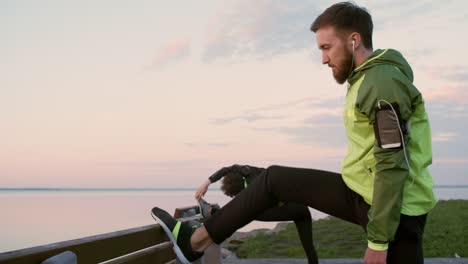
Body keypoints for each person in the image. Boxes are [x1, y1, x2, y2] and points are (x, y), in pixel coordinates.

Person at [151, 2, 437, 264]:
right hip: (365, 193)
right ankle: (195, 241)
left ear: (354, 40)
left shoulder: (381, 84)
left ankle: (195, 242)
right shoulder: (364, 79)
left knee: (276, 179)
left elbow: (391, 162)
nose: (324, 59)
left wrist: (378, 241)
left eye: (327, 47)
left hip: (396, 208)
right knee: (274, 179)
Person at [195, 164, 318, 264]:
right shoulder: (249, 172)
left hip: (293, 209)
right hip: (302, 207)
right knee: (309, 247)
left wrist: (215, 212)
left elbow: (237, 212)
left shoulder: (253, 199)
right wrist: (207, 182)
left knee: (252, 213)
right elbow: (226, 169)